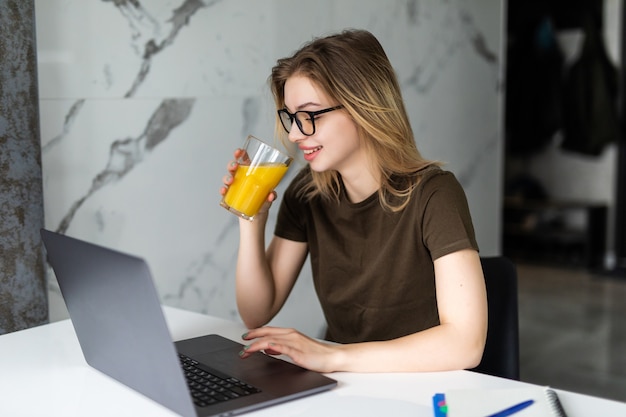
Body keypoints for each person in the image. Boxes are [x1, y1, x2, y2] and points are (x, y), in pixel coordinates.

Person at [220, 29, 487, 373]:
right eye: (291, 116)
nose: (294, 134)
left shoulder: (435, 194)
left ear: (363, 108)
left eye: (310, 115)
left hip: (423, 386)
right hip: (348, 384)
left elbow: (466, 345)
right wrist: (250, 219)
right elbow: (256, 312)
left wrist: (334, 357)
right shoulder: (307, 192)